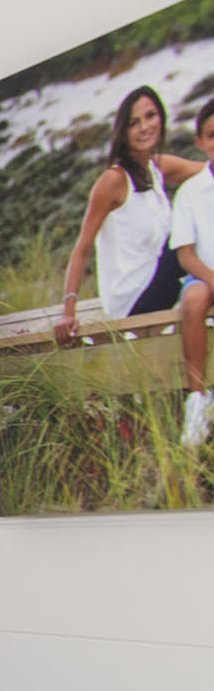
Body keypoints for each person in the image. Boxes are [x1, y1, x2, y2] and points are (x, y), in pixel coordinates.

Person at [56, 85, 200, 346]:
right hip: (133, 303)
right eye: (134, 123)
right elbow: (82, 248)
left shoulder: (156, 168)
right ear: (123, 133)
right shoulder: (113, 181)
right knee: (190, 234)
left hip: (161, 285)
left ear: (162, 118)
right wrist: (68, 313)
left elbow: (206, 172)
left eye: (150, 116)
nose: (145, 127)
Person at [170, 98, 214, 445]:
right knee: (195, 296)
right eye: (212, 135)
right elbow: (185, 254)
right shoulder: (190, 191)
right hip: (204, 276)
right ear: (200, 142)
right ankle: (197, 400)